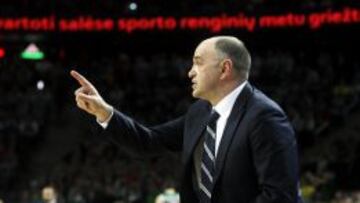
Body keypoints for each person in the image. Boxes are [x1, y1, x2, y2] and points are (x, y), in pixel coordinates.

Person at [71, 36, 302, 203]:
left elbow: (280, 196)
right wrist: (104, 112)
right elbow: (148, 142)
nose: (190, 71)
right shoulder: (199, 113)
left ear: (225, 69)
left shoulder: (264, 117)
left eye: (198, 62)